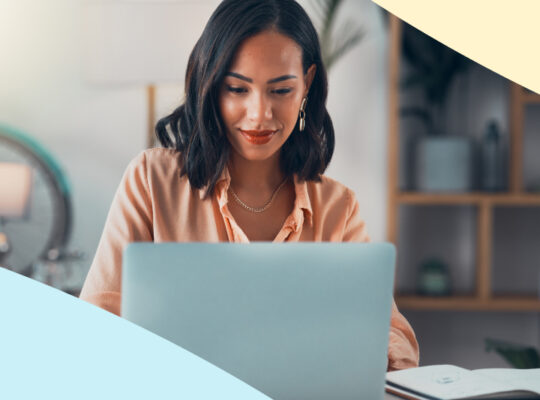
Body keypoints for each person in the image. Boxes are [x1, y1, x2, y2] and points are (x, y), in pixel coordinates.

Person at [80, 0, 419, 371]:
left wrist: (370, 356)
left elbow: (393, 335)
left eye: (281, 91)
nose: (260, 115)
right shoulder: (150, 181)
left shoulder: (336, 206)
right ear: (211, 85)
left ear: (306, 84)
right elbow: (95, 327)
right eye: (238, 89)